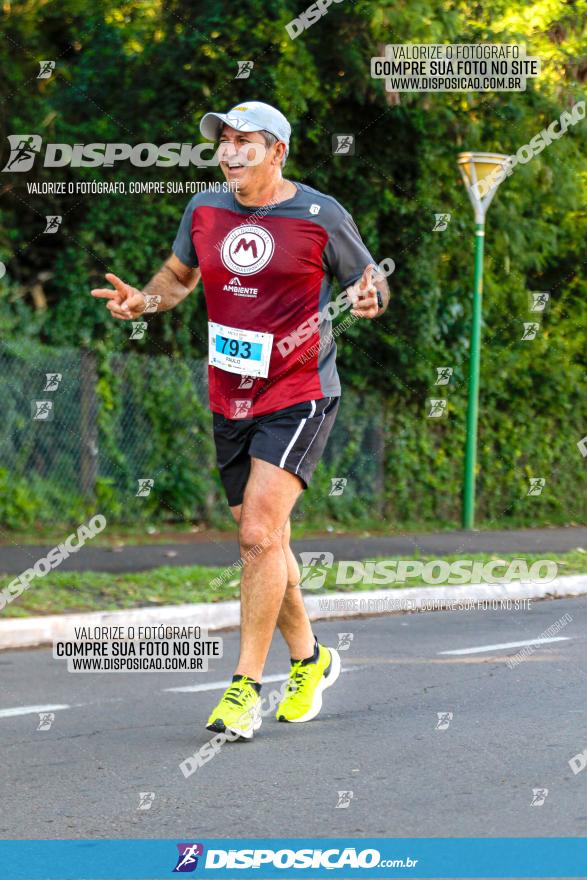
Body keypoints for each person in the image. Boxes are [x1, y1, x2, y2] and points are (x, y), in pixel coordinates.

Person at [91, 100, 389, 740]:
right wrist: (142, 301)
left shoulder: (319, 214)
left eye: (244, 141)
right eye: (224, 140)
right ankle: (311, 660)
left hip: (301, 390)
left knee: (256, 534)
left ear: (277, 151)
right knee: (269, 542)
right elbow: (177, 278)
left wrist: (368, 297)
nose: (229, 151)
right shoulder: (204, 211)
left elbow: (373, 282)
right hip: (230, 397)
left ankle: (243, 690)